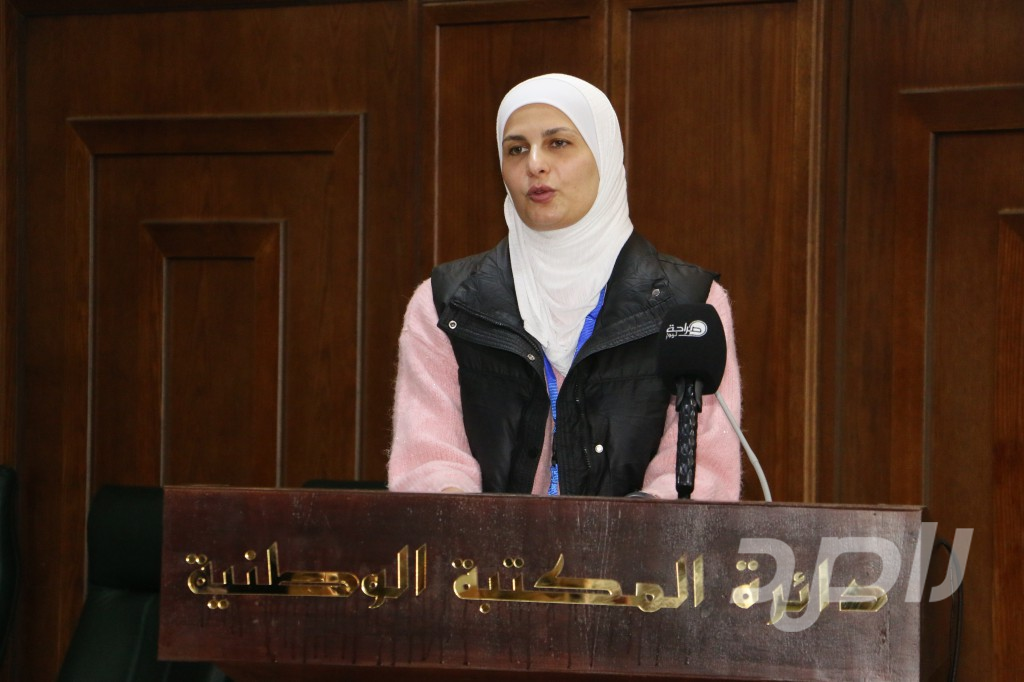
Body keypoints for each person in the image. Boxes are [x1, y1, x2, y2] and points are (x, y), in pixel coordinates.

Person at [387, 74, 742, 499]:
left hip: (637, 544)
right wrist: (478, 529)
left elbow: (703, 471)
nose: (534, 164)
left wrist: (620, 534)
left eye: (558, 143)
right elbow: (428, 459)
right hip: (484, 543)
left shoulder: (689, 306)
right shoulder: (447, 303)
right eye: (516, 149)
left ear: (604, 154)